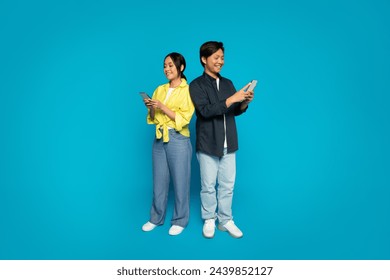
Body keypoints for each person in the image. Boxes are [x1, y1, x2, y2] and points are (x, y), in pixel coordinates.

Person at [189, 41, 254, 239]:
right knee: (208, 185)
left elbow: (233, 111)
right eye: (216, 58)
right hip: (208, 143)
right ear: (204, 59)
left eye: (222, 58)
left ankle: (225, 220)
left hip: (229, 143)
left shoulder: (228, 83)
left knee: (227, 185)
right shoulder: (196, 85)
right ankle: (209, 218)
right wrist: (231, 100)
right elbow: (205, 111)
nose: (220, 62)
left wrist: (243, 103)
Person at [141, 52, 194, 236]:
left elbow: (184, 118)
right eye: (165, 65)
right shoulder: (160, 89)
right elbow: (154, 119)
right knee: (159, 181)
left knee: (181, 181)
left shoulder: (188, 90)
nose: (167, 69)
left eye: (171, 65)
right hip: (159, 137)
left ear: (181, 68)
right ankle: (156, 218)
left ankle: (180, 220)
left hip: (178, 138)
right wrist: (152, 109)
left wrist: (162, 106)